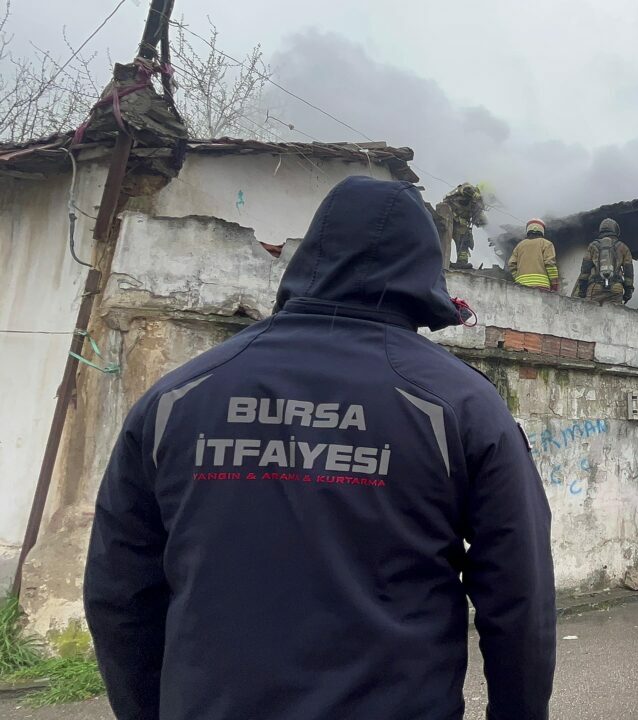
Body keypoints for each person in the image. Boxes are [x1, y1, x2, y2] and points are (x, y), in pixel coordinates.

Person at [83, 176, 556, 720]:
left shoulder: (177, 396)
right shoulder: (461, 405)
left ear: (312, 255)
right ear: (425, 267)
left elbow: (119, 591)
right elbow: (519, 597)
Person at [574, 217, 634, 305]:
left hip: (595, 287)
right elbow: (628, 273)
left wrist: (582, 290)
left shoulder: (593, 246)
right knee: (615, 312)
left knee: (591, 311)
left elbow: (585, 270)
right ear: (615, 230)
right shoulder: (623, 247)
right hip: (616, 288)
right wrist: (628, 291)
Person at [434, 182, 487, 269]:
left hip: (461, 226)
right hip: (448, 217)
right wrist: (475, 195)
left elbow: (480, 219)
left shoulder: (476, 205)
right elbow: (466, 189)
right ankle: (437, 258)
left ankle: (461, 263)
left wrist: (488, 225)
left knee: (465, 240)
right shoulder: (469, 188)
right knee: (442, 238)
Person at [509, 218, 560, 292]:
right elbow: (550, 264)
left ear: (528, 230)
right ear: (542, 230)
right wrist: (554, 284)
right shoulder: (546, 244)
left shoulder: (519, 245)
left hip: (521, 285)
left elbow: (511, 264)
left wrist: (517, 278)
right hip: (541, 285)